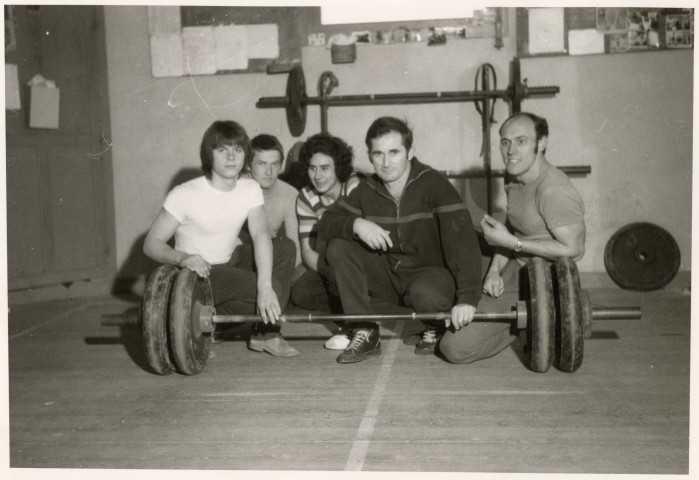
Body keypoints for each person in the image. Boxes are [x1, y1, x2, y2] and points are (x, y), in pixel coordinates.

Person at [317, 116, 482, 363]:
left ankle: (433, 324)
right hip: (392, 278)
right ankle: (365, 330)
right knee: (339, 246)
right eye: (378, 154)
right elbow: (327, 222)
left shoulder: (434, 184)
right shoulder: (367, 190)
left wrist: (468, 298)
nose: (385, 163)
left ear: (410, 152)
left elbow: (464, 245)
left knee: (426, 293)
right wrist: (357, 224)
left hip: (431, 276)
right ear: (370, 156)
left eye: (394, 152)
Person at [439, 111, 586, 364]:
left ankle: (534, 321)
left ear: (541, 143)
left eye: (521, 141)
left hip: (542, 278)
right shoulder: (514, 176)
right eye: (505, 142)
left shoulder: (553, 189)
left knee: (453, 347)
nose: (511, 151)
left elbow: (575, 249)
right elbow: (512, 228)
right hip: (515, 261)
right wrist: (494, 270)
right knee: (455, 237)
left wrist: (512, 244)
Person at [143, 120, 298, 358]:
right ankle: (200, 320)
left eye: (237, 150)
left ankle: (265, 333)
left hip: (228, 263)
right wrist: (182, 257)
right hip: (196, 274)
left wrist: (264, 286)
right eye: (222, 149)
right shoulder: (185, 193)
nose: (231, 157)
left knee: (284, 248)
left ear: (245, 155)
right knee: (272, 288)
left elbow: (260, 235)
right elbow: (151, 243)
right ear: (209, 154)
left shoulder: (249, 189)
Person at [290, 132, 361, 350]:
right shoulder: (306, 197)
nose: (318, 176)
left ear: (338, 168)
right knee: (301, 291)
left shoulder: (354, 185)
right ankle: (352, 310)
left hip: (362, 262)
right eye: (313, 168)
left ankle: (355, 323)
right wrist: (333, 275)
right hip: (332, 266)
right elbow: (308, 252)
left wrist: (344, 276)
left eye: (325, 168)